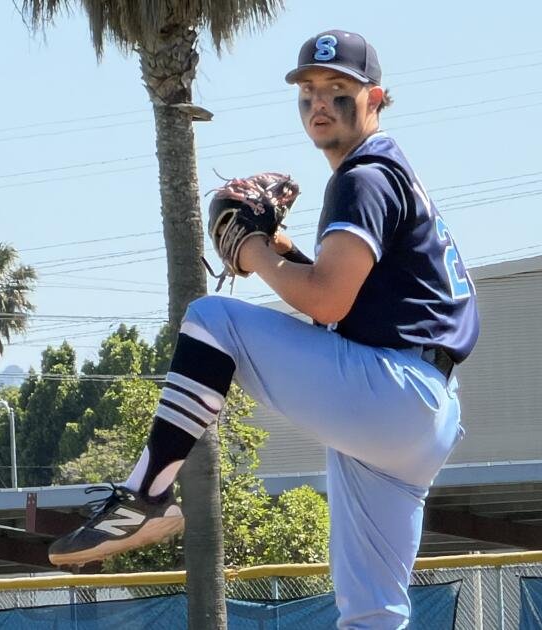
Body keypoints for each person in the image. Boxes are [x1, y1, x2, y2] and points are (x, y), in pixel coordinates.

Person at [48, 29, 479, 629]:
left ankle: (146, 495)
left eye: (338, 89)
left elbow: (326, 303)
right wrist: (282, 251)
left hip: (395, 391)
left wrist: (251, 251)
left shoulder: (364, 176)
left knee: (211, 321)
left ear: (376, 98)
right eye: (308, 90)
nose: (319, 102)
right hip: (417, 408)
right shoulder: (392, 176)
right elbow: (351, 298)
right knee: (373, 614)